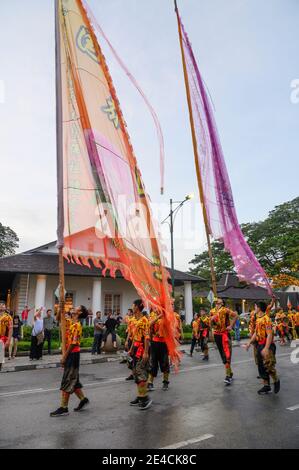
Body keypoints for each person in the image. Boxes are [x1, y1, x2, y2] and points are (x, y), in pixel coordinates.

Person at [50, 305, 89, 417]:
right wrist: (60, 309)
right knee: (73, 380)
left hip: (73, 354)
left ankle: (64, 407)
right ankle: (83, 399)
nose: (74, 307)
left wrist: (64, 357)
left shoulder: (77, 325)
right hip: (70, 353)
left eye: (76, 307)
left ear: (80, 312)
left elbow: (73, 343)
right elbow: (58, 319)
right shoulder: (70, 322)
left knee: (68, 380)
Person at [245, 301, 280, 395]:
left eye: (255, 306)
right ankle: (266, 386)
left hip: (267, 345)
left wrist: (266, 348)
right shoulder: (258, 319)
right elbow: (256, 333)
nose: (254, 308)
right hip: (260, 345)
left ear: (259, 308)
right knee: (261, 366)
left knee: (269, 366)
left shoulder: (266, 319)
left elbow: (269, 334)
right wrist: (249, 343)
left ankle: (276, 380)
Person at [128, 299, 152, 410]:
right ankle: (140, 396)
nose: (132, 307)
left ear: (137, 307)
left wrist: (146, 352)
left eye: (133, 305)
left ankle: (145, 398)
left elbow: (146, 337)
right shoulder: (135, 320)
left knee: (141, 373)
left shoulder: (144, 320)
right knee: (136, 373)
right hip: (136, 347)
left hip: (143, 348)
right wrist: (131, 349)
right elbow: (135, 337)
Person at [210, 298, 237, 385]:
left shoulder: (225, 310)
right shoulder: (212, 311)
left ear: (222, 303)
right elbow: (210, 324)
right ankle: (230, 372)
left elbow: (235, 315)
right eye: (216, 302)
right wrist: (212, 320)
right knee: (222, 355)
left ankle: (228, 376)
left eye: (218, 302)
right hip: (217, 335)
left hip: (225, 335)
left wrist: (231, 326)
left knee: (227, 355)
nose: (216, 304)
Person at [147, 311, 170, 391]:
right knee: (153, 363)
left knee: (165, 363)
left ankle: (165, 382)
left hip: (164, 343)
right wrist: (158, 316)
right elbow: (149, 324)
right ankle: (150, 383)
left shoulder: (167, 315)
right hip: (154, 343)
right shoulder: (153, 315)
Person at [0, 303, 13, 371]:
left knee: (1, 349)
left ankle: (0, 364)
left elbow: (11, 328)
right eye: (0, 305)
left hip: (3, 336)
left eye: (3, 305)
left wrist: (9, 340)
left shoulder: (8, 317)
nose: (1, 306)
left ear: (5, 308)